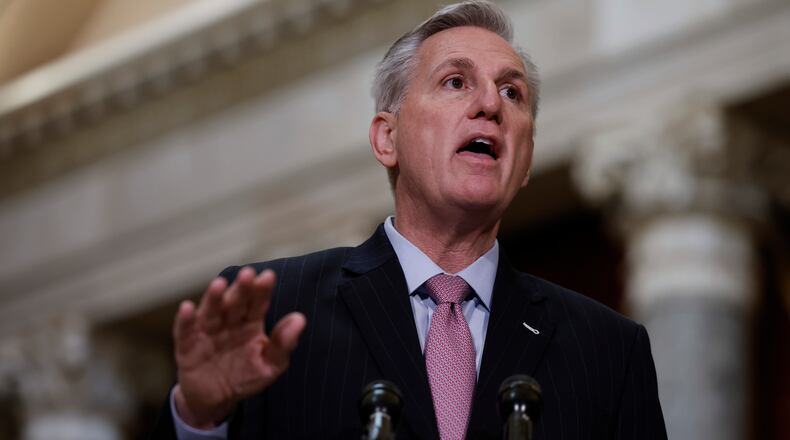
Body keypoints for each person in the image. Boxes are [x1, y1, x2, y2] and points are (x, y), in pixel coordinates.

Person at [152, 1, 667, 439]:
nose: (490, 104)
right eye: (456, 82)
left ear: (526, 161)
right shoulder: (277, 312)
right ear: (387, 138)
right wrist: (200, 418)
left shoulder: (608, 352)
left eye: (513, 93)